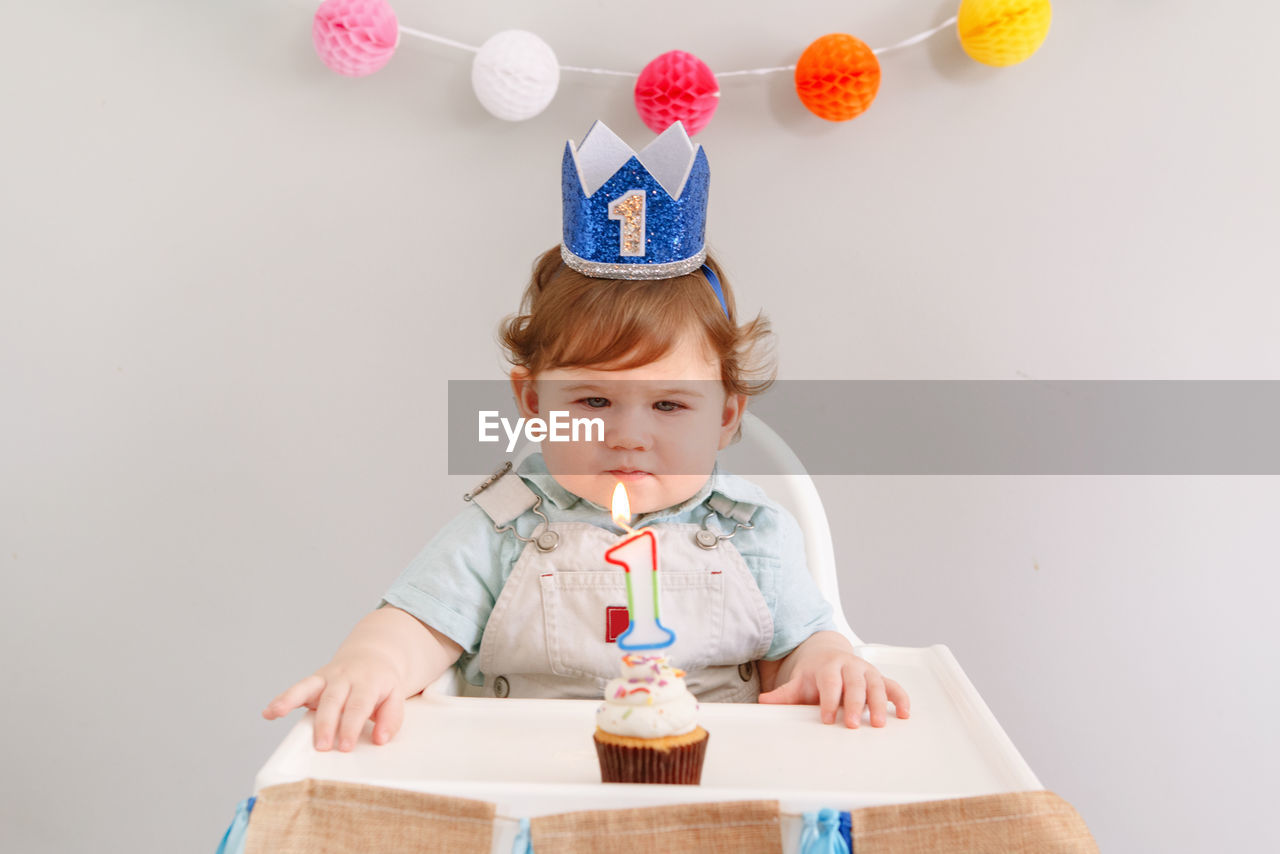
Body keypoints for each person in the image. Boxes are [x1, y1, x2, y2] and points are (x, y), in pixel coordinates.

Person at [263, 120, 910, 752]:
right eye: (594, 399)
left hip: (711, 785)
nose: (629, 435)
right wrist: (370, 663)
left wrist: (830, 666)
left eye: (668, 404)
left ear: (726, 416)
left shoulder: (753, 531)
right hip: (530, 783)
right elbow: (416, 625)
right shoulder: (504, 527)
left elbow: (798, 650)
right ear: (532, 402)